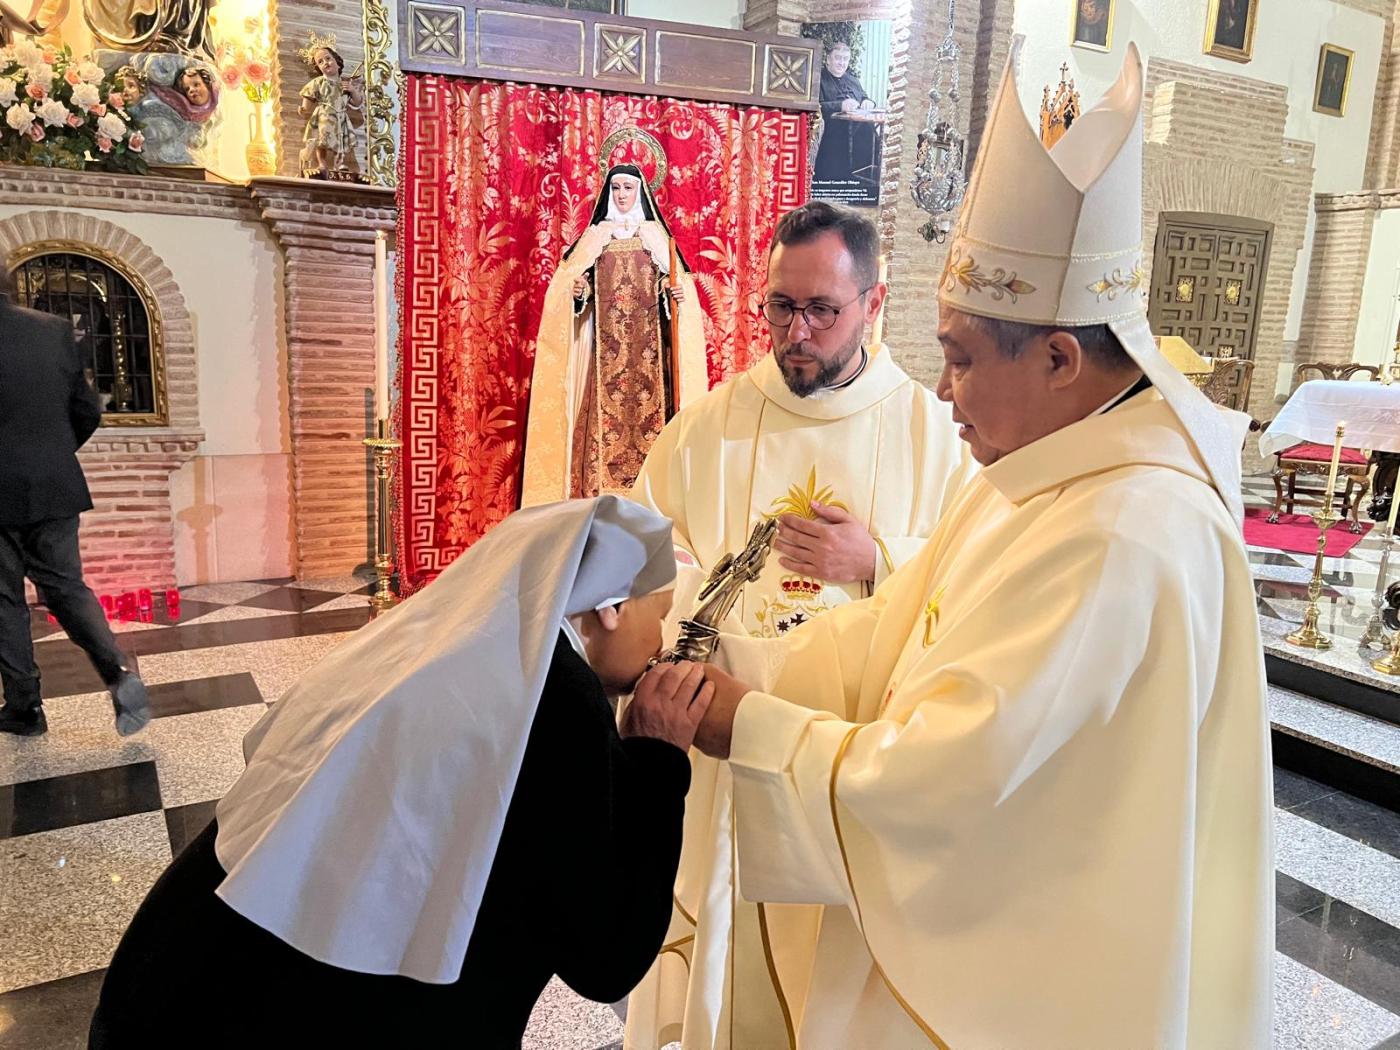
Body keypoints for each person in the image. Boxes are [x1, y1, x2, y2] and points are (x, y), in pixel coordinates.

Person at [632, 43, 1273, 1048]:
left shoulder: (1127, 530)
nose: (941, 391)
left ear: (1059, 359)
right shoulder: (1038, 471)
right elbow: (889, 636)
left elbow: (941, 781)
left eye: (964, 359)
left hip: (1026, 971)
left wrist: (743, 728)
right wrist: (730, 670)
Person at [90, 496, 713, 1048]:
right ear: (610, 608)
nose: (661, 637)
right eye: (657, 612)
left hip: (171, 986)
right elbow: (607, 956)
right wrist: (656, 756)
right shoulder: (551, 695)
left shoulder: (426, 640)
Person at [623, 201, 969, 1050]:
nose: (796, 331)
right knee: (729, 949)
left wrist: (881, 558)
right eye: (780, 306)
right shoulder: (710, 426)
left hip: (844, 750)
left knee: (833, 966)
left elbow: (975, 569)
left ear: (874, 304)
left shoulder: (931, 432)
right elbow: (648, 556)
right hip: (723, 743)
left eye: (822, 310)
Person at [0, 267, 151, 738]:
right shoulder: (52, 330)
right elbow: (86, 409)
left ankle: (25, 708)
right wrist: (52, 455)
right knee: (66, 587)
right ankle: (119, 674)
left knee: (3, 601)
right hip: (53, 482)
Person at [523, 164, 708, 505]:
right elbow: (578, 289)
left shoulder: (656, 236)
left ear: (640, 192)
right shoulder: (596, 237)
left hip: (650, 357)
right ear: (609, 192)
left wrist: (675, 296)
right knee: (599, 422)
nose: (622, 195)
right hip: (605, 355)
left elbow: (673, 288)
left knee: (654, 420)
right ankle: (597, 499)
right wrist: (579, 292)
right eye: (617, 188)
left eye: (629, 188)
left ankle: (654, 496)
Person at [813, 41, 881, 187]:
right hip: (831, 139)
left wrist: (868, 101)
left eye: (845, 59)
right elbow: (814, 106)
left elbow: (863, 96)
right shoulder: (818, 79)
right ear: (828, 59)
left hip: (859, 138)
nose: (841, 63)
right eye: (838, 58)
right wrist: (840, 105)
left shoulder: (853, 80)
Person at [298, 44, 364, 176]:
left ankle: (339, 163)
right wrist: (304, 108)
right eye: (320, 62)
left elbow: (357, 102)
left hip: (340, 116)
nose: (325, 63)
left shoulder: (344, 84)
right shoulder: (318, 82)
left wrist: (351, 90)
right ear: (319, 68)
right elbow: (309, 96)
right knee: (321, 141)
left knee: (340, 142)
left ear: (337, 63)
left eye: (328, 59)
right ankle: (322, 163)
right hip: (324, 115)